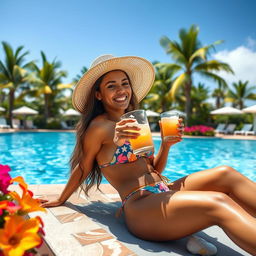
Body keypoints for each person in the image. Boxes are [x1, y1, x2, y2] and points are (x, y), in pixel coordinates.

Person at [42, 54, 256, 255]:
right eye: (111, 85)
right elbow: (84, 167)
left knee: (225, 173)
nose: (121, 90)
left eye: (124, 83)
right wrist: (61, 198)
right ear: (99, 95)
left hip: (163, 190)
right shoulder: (99, 127)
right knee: (216, 202)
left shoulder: (135, 122)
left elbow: (153, 170)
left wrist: (166, 144)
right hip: (141, 206)